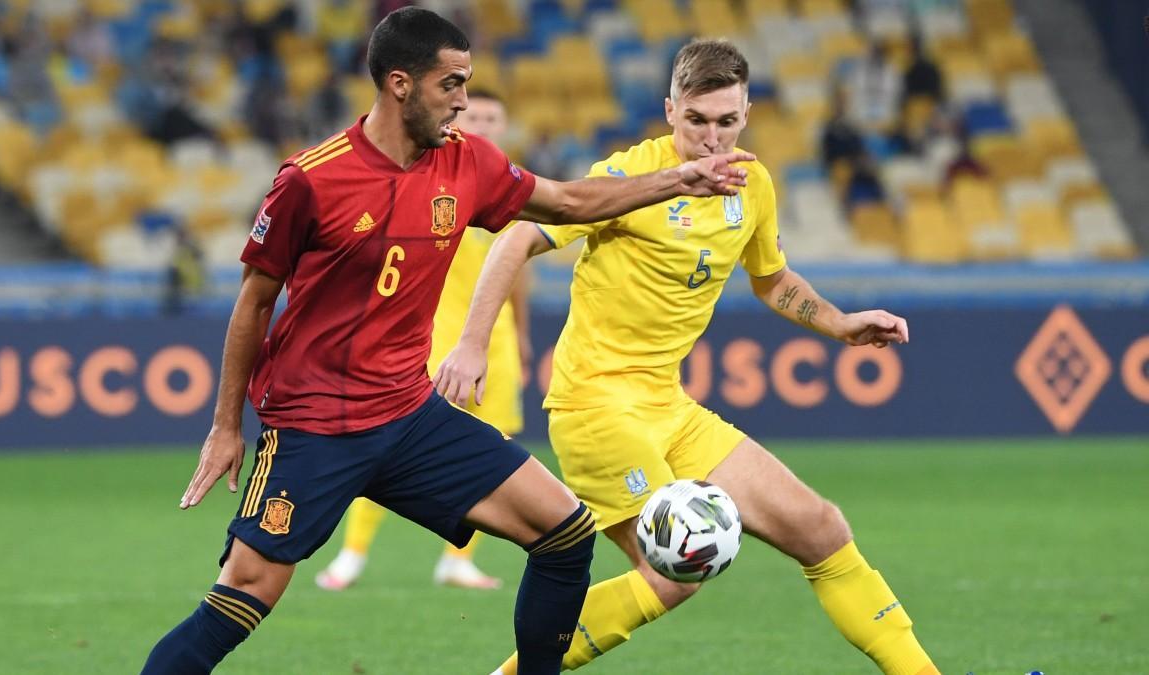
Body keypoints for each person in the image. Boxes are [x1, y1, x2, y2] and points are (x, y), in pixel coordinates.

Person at [139, 9, 753, 675]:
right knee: (247, 592)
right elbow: (254, 302)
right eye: (451, 84)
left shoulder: (467, 163)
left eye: (467, 82)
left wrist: (678, 179)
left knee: (565, 532)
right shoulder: (312, 180)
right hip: (316, 425)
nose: (464, 99)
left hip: (409, 415)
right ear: (400, 84)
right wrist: (226, 425)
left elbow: (570, 202)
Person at [435, 39, 940, 675]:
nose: (711, 138)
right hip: (595, 406)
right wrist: (472, 343)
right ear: (671, 109)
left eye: (726, 121)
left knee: (821, 528)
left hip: (667, 407)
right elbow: (513, 242)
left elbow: (772, 280)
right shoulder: (626, 180)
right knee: (671, 573)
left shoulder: (751, 185)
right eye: (696, 120)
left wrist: (841, 325)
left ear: (747, 114)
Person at [316, 89, 530, 592]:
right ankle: (352, 554)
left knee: (494, 455)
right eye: (474, 114)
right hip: (432, 342)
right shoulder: (434, 177)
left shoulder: (510, 191)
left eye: (493, 117)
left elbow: (518, 268)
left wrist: (520, 335)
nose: (483, 122)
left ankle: (458, 559)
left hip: (494, 346)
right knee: (389, 448)